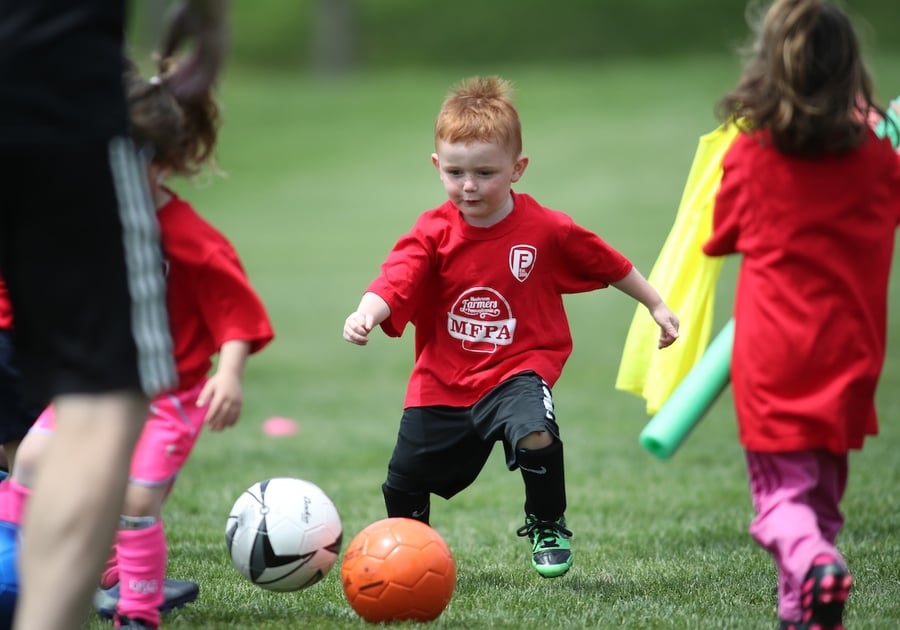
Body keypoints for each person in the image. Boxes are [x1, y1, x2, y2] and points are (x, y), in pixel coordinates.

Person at [342, 76, 679, 579]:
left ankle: (546, 520)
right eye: (455, 172)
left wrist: (655, 303)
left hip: (518, 369)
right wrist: (366, 311)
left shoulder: (546, 229)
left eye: (485, 172)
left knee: (536, 434)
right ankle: (413, 555)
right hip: (442, 379)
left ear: (517, 168)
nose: (470, 185)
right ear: (438, 167)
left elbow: (607, 263)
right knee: (403, 478)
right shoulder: (432, 231)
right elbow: (396, 277)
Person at [4, 57, 274, 630]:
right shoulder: (99, 225)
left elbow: (237, 318)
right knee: (28, 456)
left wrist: (228, 375)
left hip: (169, 400)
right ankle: (10, 561)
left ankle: (138, 611)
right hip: (101, 380)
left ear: (163, 163)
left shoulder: (194, 241)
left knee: (135, 504)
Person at [701, 1, 900, 628]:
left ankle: (814, 563)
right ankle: (808, 614)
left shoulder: (754, 155)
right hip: (852, 353)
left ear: (769, 68)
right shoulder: (876, 158)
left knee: (781, 502)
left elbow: (720, 234)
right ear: (850, 71)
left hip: (775, 359)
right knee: (820, 497)